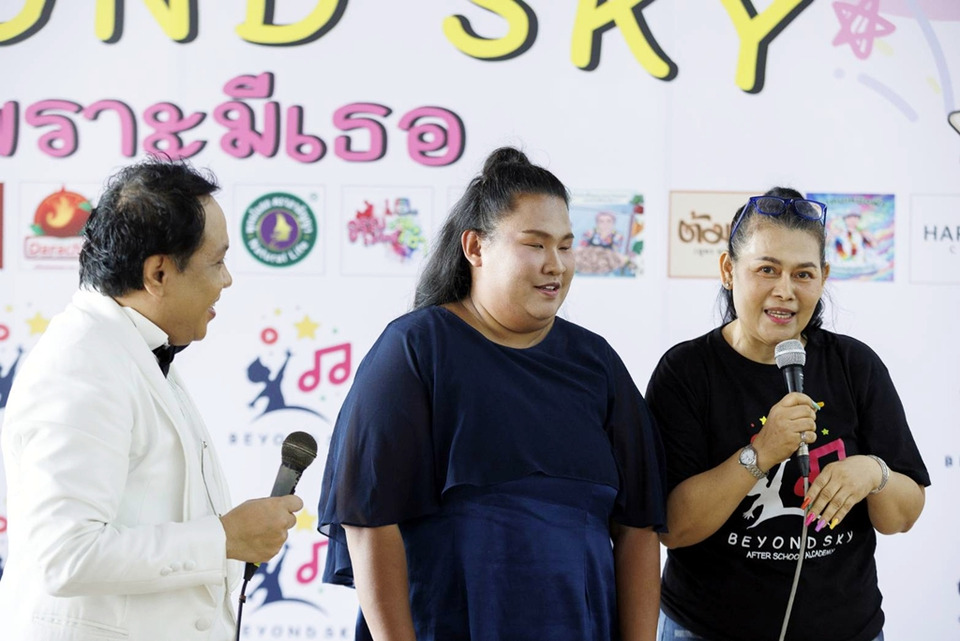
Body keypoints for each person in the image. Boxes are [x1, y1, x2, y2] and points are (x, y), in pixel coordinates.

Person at [318, 147, 667, 641]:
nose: (555, 265)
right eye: (535, 244)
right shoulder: (415, 349)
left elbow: (638, 530)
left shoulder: (596, 362)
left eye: (566, 246)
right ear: (475, 248)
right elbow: (368, 522)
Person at [0, 158, 302, 640]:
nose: (227, 280)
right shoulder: (82, 363)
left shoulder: (131, 346)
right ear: (159, 273)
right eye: (217, 262)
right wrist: (224, 538)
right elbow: (65, 555)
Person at [646, 187, 930, 641]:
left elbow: (902, 516)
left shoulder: (854, 366)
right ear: (728, 270)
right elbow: (674, 529)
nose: (785, 291)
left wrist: (872, 472)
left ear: (823, 278)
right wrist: (760, 452)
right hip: (706, 628)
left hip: (845, 629)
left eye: (803, 274)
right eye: (767, 269)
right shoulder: (686, 372)